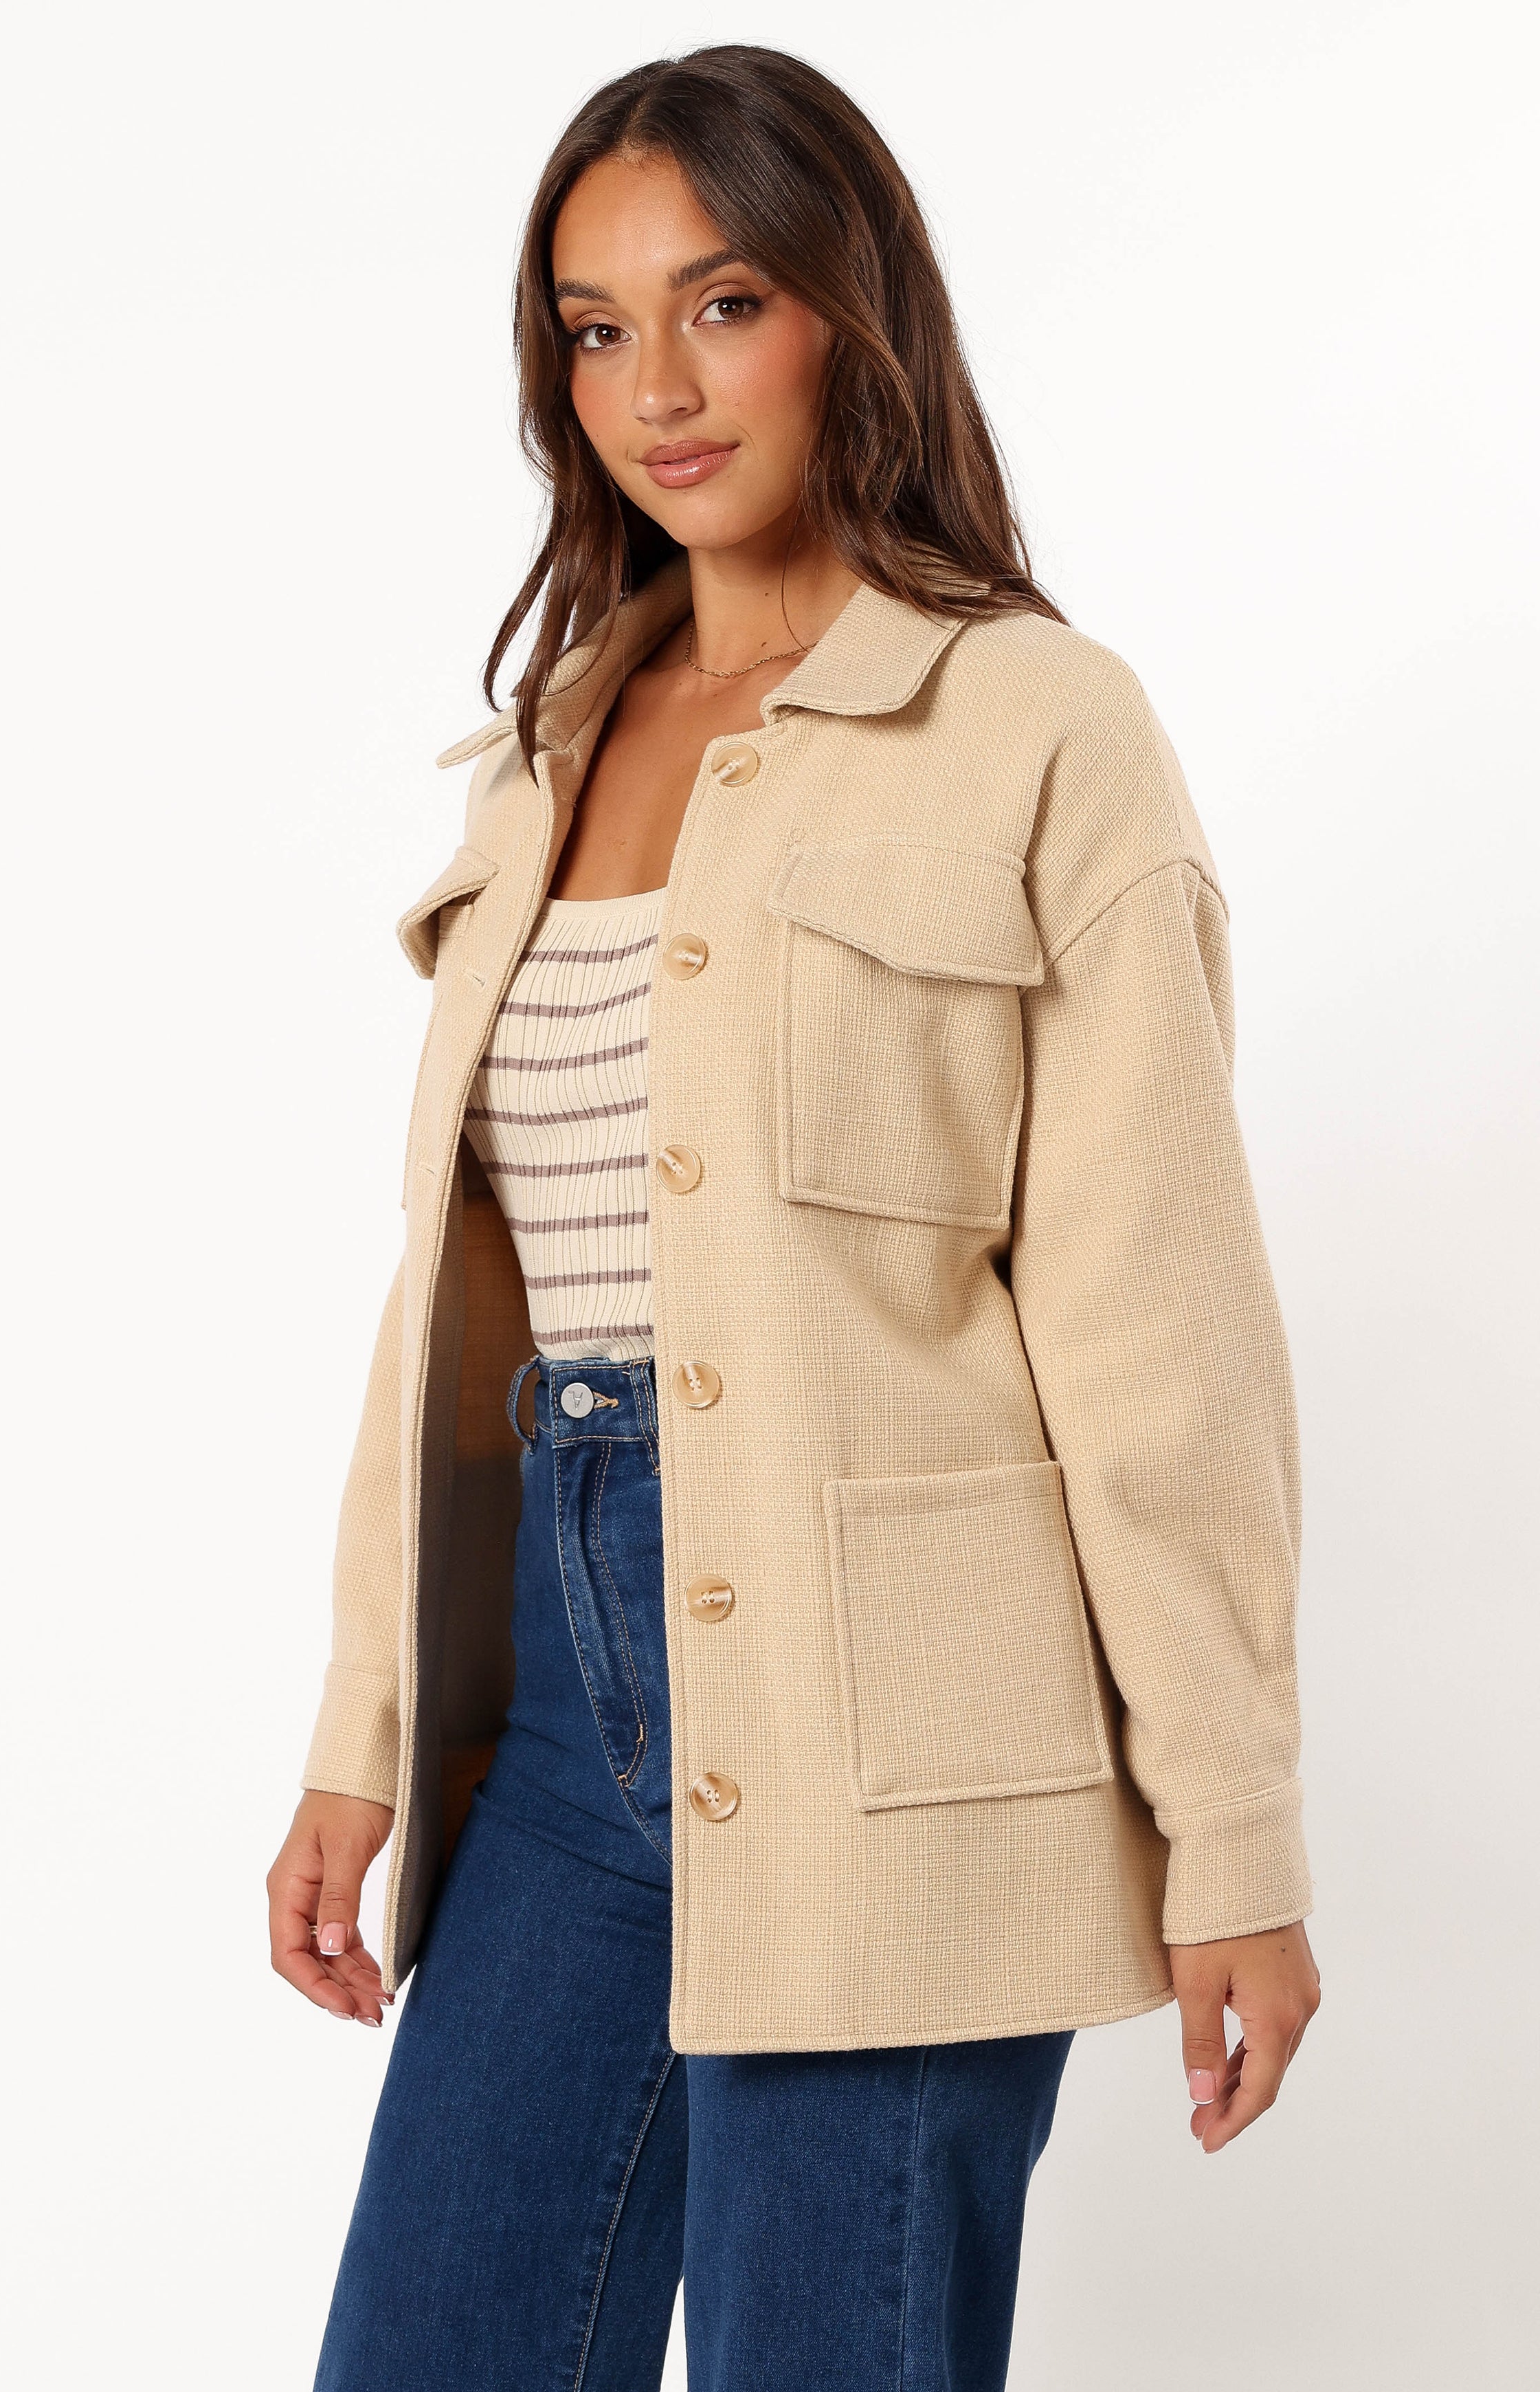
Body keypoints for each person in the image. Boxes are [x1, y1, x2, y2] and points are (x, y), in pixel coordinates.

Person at [266, 43, 1321, 2392]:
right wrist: (365, 1723)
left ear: (856, 311)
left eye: (722, 303)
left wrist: (1236, 1833)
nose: (655, 386)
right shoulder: (552, 743)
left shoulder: (1041, 727)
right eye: (595, 326)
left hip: (902, 1725)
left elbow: (1157, 1328)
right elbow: (460, 1299)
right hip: (560, 1709)